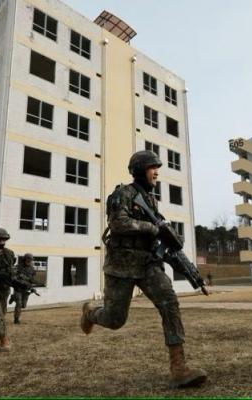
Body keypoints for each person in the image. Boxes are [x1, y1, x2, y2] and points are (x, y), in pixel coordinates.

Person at [79, 150, 207, 389]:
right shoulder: (121, 194)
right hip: (121, 266)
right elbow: (119, 224)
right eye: (151, 167)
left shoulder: (151, 201)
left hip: (148, 264)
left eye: (156, 167)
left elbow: (159, 235)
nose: (156, 172)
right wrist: (153, 228)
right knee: (115, 319)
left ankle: (178, 368)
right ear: (139, 170)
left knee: (169, 302)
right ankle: (90, 314)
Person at [11, 253, 36, 324]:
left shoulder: (32, 269)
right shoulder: (18, 267)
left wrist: (31, 287)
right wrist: (20, 281)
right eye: (28, 259)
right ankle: (16, 319)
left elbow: (32, 280)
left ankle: (13, 297)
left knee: (23, 305)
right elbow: (13, 277)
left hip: (26, 289)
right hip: (18, 288)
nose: (29, 261)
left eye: (31, 259)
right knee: (18, 304)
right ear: (25, 259)